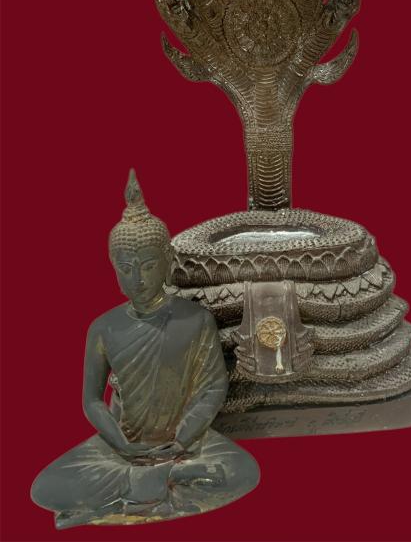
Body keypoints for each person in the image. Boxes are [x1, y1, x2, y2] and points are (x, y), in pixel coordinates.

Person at [31, 170, 259, 528]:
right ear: (113, 268)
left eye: (149, 266)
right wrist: (121, 443)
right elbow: (92, 400)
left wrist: (181, 441)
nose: (137, 279)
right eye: (126, 268)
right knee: (45, 488)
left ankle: (129, 497)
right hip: (125, 445)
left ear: (168, 261)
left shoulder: (195, 319)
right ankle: (163, 486)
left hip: (186, 445)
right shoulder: (103, 327)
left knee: (243, 470)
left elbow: (213, 388)